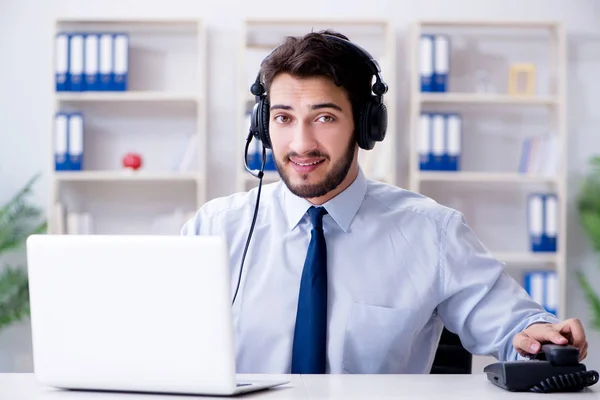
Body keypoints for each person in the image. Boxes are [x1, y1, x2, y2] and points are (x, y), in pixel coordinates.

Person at [181, 30, 587, 374]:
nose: (301, 143)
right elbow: (162, 340)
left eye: (324, 118)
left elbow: (517, 328)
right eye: (284, 118)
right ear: (263, 125)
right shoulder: (216, 228)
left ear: (367, 124)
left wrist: (540, 337)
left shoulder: (432, 232)